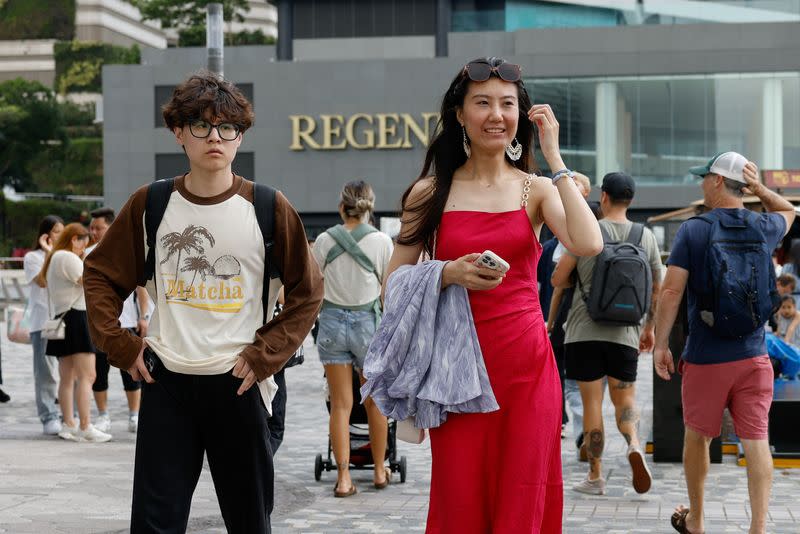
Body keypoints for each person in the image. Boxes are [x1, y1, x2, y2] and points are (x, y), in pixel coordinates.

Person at [83, 71, 323, 533]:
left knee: (250, 520)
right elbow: (99, 275)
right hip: (166, 382)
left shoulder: (268, 207)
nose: (215, 136)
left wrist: (265, 354)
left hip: (239, 383)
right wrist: (122, 346)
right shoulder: (151, 204)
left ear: (240, 137)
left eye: (227, 127)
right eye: (201, 126)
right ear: (179, 133)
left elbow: (308, 290)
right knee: (156, 523)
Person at [386, 57, 602, 533]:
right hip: (456, 371)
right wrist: (445, 274)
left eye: (507, 104)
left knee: (524, 491)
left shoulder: (537, 189)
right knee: (460, 493)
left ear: (520, 116)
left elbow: (589, 243)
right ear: (460, 114)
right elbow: (393, 286)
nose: (495, 115)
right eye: (482, 103)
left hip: (526, 368)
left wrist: (556, 158)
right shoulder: (430, 192)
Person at [653, 152, 794, 534]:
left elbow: (671, 292)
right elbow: (790, 210)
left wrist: (661, 344)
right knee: (756, 440)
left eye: (705, 178)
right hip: (755, 356)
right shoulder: (764, 225)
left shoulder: (694, 230)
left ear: (717, 181)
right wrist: (760, 188)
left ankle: (697, 521)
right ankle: (758, 528)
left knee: (697, 437)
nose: (701, 183)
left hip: (706, 357)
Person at [554, 171, 662, 496]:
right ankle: (632, 443)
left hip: (583, 332)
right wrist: (649, 328)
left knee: (591, 405)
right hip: (625, 334)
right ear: (631, 200)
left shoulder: (588, 229)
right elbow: (657, 288)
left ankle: (595, 476)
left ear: (603, 196)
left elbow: (559, 277)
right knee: (625, 399)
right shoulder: (645, 237)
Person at [311, 180, 393, 496]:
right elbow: (388, 291)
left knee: (341, 406)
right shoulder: (383, 242)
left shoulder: (323, 241)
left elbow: (314, 286)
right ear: (370, 205)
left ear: (340, 206)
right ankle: (379, 471)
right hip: (368, 325)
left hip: (331, 322)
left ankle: (343, 479)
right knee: (374, 403)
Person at [38, 222, 111, 443]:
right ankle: (85, 425)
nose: (83, 249)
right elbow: (88, 282)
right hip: (78, 318)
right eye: (83, 244)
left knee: (67, 378)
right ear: (74, 240)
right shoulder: (68, 258)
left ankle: (69, 424)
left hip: (63, 319)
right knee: (88, 375)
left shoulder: (54, 258)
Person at [86, 207, 151, 433]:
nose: (94, 232)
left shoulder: (126, 251)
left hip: (128, 322)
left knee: (133, 371)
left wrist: (144, 316)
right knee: (99, 373)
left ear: (110, 227)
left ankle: (134, 415)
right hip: (100, 327)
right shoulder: (89, 254)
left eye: (99, 227)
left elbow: (141, 287)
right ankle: (103, 415)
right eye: (91, 227)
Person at [23, 215, 65, 433]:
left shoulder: (65, 257)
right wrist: (49, 253)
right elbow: (42, 281)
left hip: (66, 321)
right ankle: (49, 416)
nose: (61, 235)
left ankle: (69, 414)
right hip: (43, 322)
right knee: (45, 372)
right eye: (57, 231)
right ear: (46, 234)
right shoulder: (33, 257)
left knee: (69, 371)